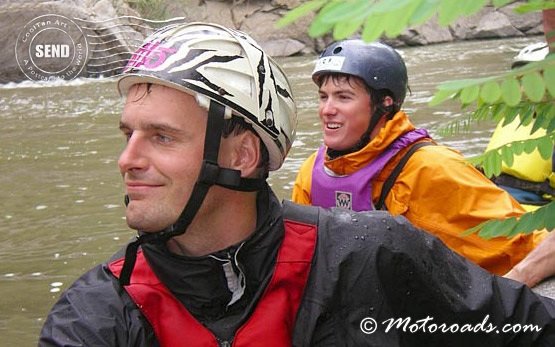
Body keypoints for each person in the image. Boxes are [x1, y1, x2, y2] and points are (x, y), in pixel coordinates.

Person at [39, 22, 555, 346]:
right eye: (128, 134)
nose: (126, 159)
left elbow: (523, 320)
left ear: (243, 155)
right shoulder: (96, 313)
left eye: (162, 137)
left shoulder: (387, 231)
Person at [291, 38, 555, 288]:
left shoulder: (431, 169)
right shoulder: (312, 172)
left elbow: (528, 244)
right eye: (323, 96)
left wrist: (521, 277)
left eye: (343, 97)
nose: (326, 109)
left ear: (385, 104)